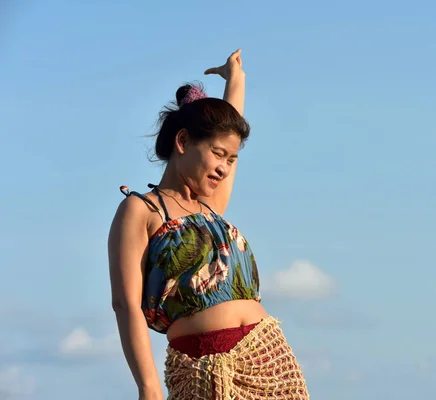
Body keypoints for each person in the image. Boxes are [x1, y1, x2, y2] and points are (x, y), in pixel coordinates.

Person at [108, 49, 309, 400]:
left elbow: (228, 131)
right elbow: (125, 304)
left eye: (232, 159)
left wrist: (236, 81)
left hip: (270, 364)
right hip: (201, 373)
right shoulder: (140, 211)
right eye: (218, 154)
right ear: (183, 142)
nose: (225, 167)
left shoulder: (210, 206)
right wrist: (149, 386)